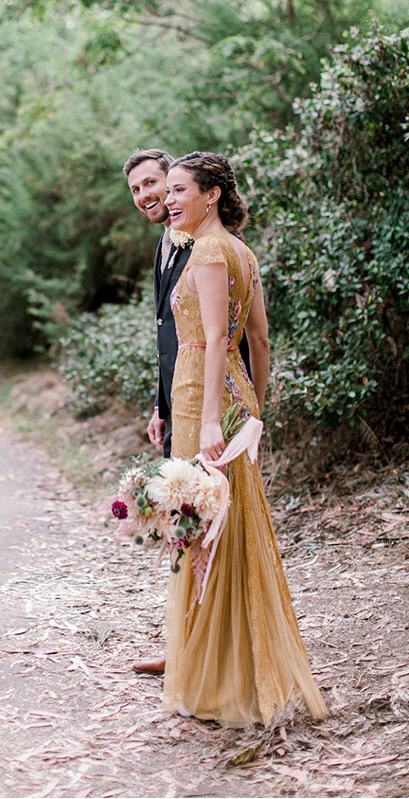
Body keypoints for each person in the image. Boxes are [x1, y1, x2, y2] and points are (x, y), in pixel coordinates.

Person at [161, 151, 327, 727]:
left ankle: (217, 680)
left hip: (202, 395)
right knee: (223, 526)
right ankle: (225, 667)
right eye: (170, 190)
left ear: (212, 195)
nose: (171, 200)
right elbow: (258, 341)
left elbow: (210, 338)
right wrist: (257, 409)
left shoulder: (208, 249)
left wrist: (211, 420)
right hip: (236, 395)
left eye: (181, 190)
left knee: (208, 529)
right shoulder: (244, 252)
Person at [123, 149, 192, 460]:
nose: (143, 195)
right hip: (175, 400)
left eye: (151, 183)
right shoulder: (163, 245)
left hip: (203, 399)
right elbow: (169, 333)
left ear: (174, 181)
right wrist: (160, 406)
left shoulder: (203, 242)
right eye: (135, 190)